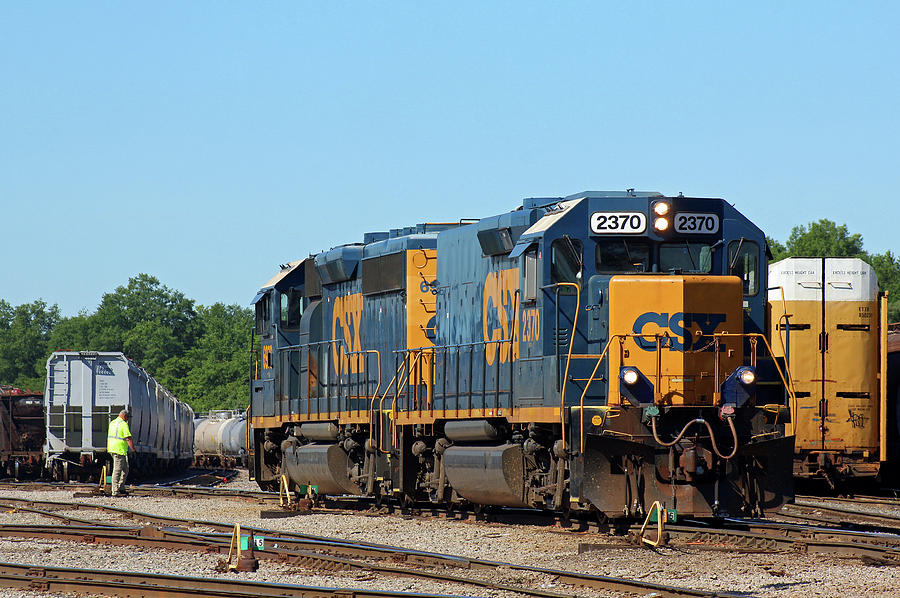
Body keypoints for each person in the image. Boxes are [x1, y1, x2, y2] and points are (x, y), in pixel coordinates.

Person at [107, 410, 135, 496]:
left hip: (112, 448)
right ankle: (115, 491)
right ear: (125, 416)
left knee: (125, 469)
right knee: (117, 470)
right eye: (127, 418)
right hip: (119, 449)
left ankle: (121, 487)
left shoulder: (112, 422)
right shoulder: (123, 424)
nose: (127, 420)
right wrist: (133, 449)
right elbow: (128, 438)